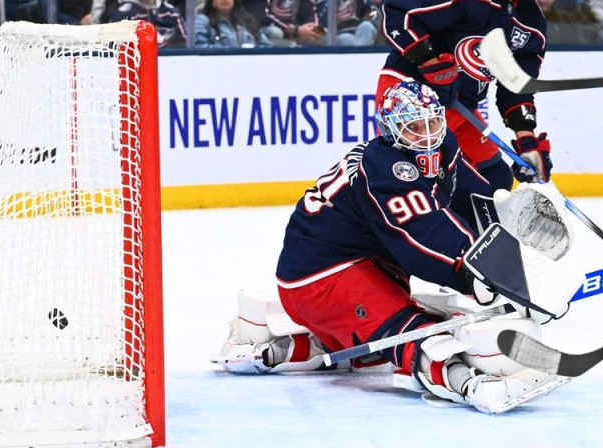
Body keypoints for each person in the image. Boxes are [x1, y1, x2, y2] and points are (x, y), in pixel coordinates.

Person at [211, 80, 580, 413]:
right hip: (320, 277)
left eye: (432, 123)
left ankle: (289, 349)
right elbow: (423, 233)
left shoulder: (443, 146)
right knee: (415, 331)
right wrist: (474, 272)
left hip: (364, 265)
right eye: (413, 127)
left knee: (386, 341)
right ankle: (466, 383)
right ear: (391, 130)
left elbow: (466, 197)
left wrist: (504, 212)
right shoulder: (387, 166)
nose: (427, 134)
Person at [376, 0, 553, 198]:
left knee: (495, 177)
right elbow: (399, 13)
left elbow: (516, 88)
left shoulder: (534, 26)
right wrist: (431, 62)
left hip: (461, 106)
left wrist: (527, 140)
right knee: (422, 179)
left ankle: (470, 228)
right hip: (412, 93)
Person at [109, 0, 187, 48]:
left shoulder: (171, 12)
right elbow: (113, 45)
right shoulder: (125, 13)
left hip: (170, 62)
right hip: (137, 64)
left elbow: (183, 42)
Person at [195, 0, 271, 48]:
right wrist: (231, 52)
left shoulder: (247, 20)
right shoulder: (202, 21)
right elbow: (200, 47)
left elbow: (266, 46)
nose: (225, 0)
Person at [314, 0, 378, 46]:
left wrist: (371, 18)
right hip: (333, 37)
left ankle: (358, 58)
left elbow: (374, 12)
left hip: (358, 35)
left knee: (367, 26)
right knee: (346, 39)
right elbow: (314, 25)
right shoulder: (319, 2)